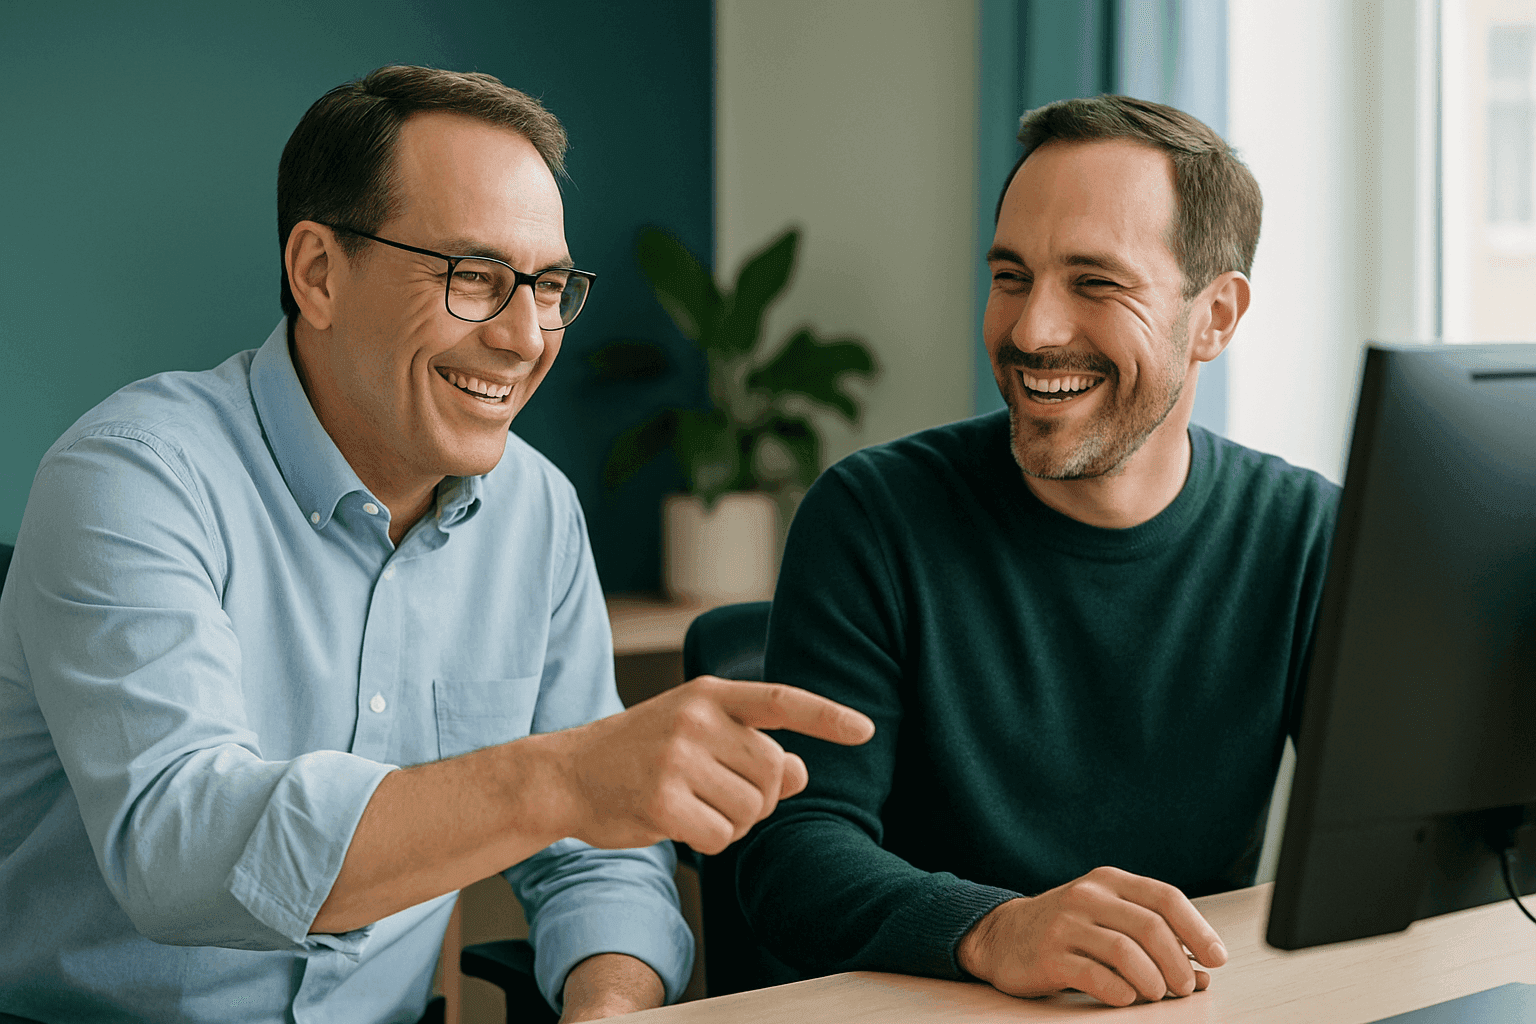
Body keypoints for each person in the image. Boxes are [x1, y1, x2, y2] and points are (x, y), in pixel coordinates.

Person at [0, 65, 872, 1024]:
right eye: (476, 278)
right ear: (318, 273)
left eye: (547, 286)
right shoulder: (132, 477)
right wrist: (563, 780)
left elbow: (599, 856)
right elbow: (183, 852)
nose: (528, 335)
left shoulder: (536, 508)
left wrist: (607, 1004)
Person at [737, 94, 1339, 1008]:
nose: (1031, 331)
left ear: (1215, 316)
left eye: (1095, 283)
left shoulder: (1303, 533)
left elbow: (1416, 831)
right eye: (1012, 276)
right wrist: (990, 928)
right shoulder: (874, 515)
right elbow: (792, 854)